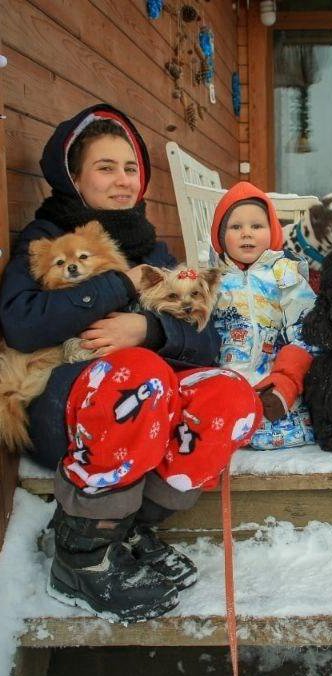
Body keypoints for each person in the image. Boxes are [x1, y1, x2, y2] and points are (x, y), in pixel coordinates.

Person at [0, 104, 262, 623]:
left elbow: (204, 343)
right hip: (68, 409)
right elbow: (21, 324)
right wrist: (117, 284)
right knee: (138, 376)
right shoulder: (46, 238)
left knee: (229, 395)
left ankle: (125, 529)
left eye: (130, 168)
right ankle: (81, 557)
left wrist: (148, 328)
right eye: (105, 167)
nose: (123, 180)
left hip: (140, 405)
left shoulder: (152, 248)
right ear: (72, 176)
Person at [210, 182, 316, 450]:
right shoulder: (213, 281)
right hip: (226, 377)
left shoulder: (285, 274)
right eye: (236, 227)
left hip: (272, 377)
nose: (247, 233)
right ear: (221, 237)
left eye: (256, 226)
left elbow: (306, 327)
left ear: (272, 232)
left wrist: (287, 376)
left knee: (276, 416)